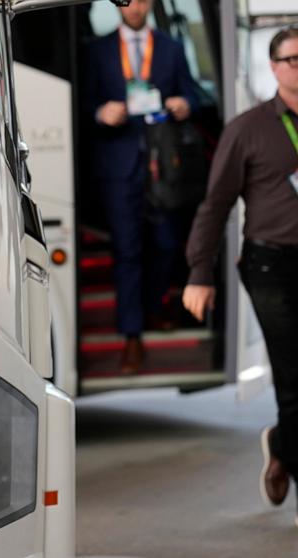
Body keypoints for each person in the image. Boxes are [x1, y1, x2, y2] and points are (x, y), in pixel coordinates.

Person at [183, 26, 298, 523]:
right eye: (292, 59)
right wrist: (199, 272)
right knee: (294, 378)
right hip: (271, 264)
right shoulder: (248, 128)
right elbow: (216, 205)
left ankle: (281, 441)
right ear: (273, 67)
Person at [80, 0, 198, 374]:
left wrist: (184, 104)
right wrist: (100, 112)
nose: (134, 6)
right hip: (118, 163)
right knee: (127, 250)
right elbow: (81, 103)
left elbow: (192, 94)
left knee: (165, 243)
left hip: (163, 163)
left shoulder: (171, 48)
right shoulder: (96, 50)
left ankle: (149, 308)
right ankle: (132, 337)